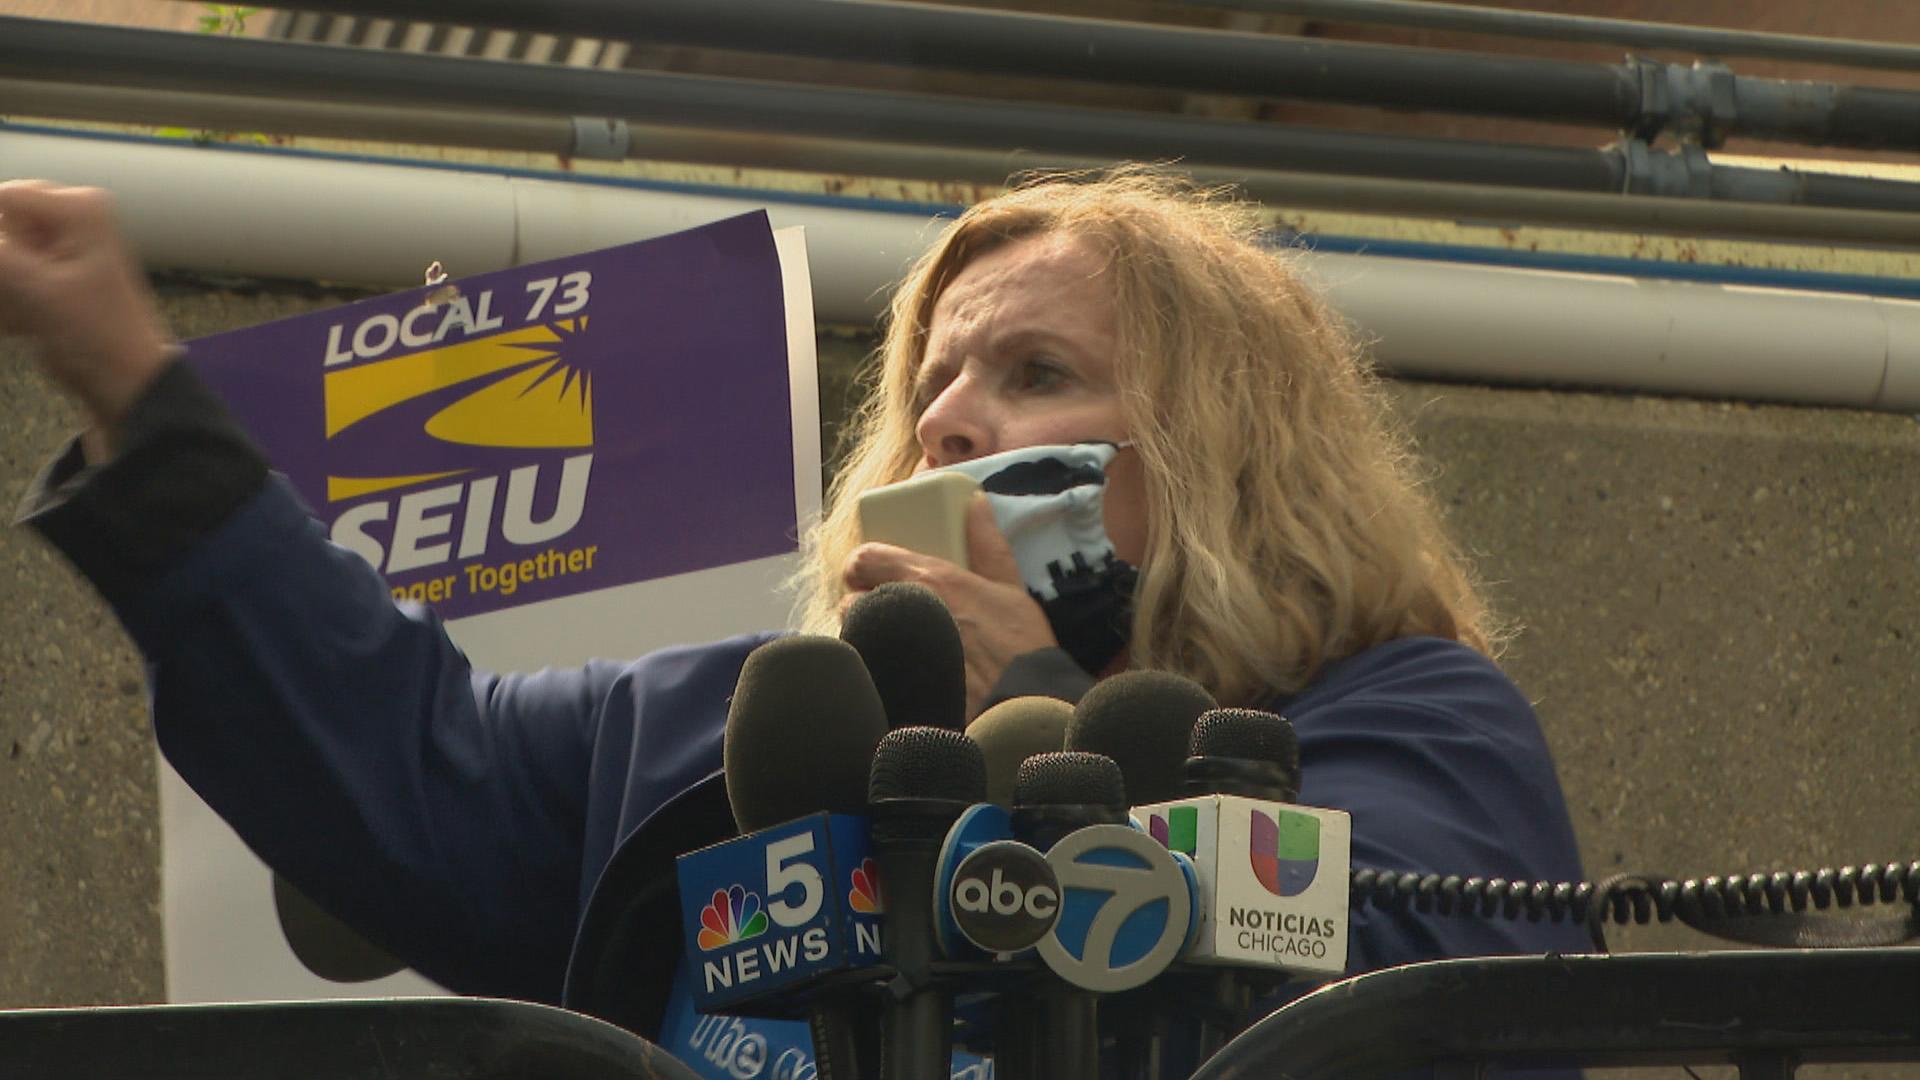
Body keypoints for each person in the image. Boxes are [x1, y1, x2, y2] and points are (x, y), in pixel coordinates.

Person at [2, 170, 1588, 1043]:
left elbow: (1397, 1013)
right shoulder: (732, 732)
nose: (950, 424)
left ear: (1233, 460)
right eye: (931, 382)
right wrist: (138, 399)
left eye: (1038, 375)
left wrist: (1032, 701)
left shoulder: (1402, 725)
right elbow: (405, 763)